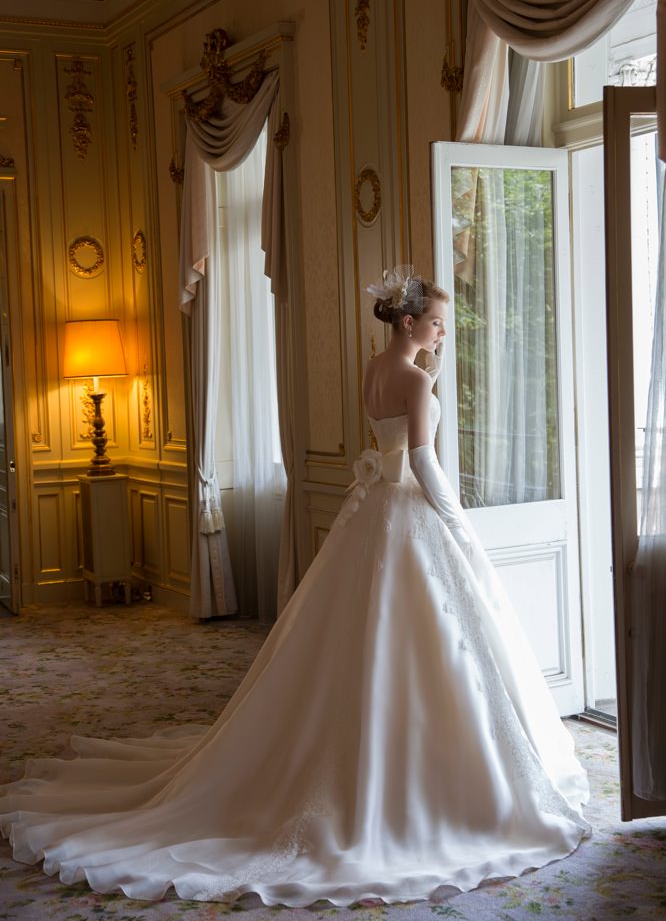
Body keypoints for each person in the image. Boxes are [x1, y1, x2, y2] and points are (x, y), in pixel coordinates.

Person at [0, 265, 589, 908]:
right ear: (410, 322)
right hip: (410, 512)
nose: (444, 333)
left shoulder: (375, 368)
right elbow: (422, 460)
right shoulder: (417, 380)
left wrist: (431, 378)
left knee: (363, 634)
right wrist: (458, 522)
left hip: (373, 512)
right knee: (424, 638)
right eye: (438, 323)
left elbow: (393, 430)